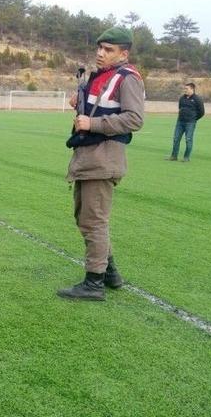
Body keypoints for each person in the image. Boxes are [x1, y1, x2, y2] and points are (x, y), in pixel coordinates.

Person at [58, 27, 145, 301]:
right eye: (100, 47)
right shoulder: (100, 76)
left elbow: (134, 119)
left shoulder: (127, 79)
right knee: (85, 217)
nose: (100, 53)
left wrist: (91, 123)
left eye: (108, 49)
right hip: (89, 156)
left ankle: (94, 283)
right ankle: (109, 274)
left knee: (94, 220)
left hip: (103, 158)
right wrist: (79, 105)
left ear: (123, 53)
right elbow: (99, 107)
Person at [167, 82, 204, 162]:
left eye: (187, 89)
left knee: (188, 139)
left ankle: (186, 157)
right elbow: (180, 108)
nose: (185, 90)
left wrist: (193, 119)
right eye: (185, 88)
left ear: (192, 89)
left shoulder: (197, 99)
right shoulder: (182, 98)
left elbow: (202, 112)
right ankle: (174, 156)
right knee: (176, 139)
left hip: (190, 123)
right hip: (180, 122)